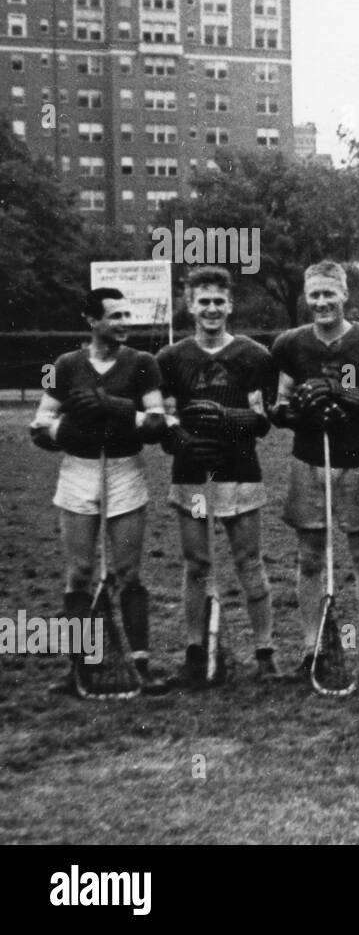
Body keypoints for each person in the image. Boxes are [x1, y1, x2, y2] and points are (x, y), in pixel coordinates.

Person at [30, 287, 171, 694]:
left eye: (128, 314)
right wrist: (68, 429)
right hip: (79, 470)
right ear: (93, 321)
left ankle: (140, 665)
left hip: (125, 470)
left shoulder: (142, 363)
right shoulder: (64, 365)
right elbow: (40, 425)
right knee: (79, 573)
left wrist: (120, 410)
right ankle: (79, 667)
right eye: (116, 316)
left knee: (129, 573)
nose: (125, 322)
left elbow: (157, 420)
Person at [156, 267, 281, 686]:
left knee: (249, 561)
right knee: (197, 563)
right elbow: (166, 418)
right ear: (190, 306)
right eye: (203, 301)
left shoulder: (253, 355)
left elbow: (262, 419)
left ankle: (265, 653)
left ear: (230, 306)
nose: (211, 309)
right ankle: (196, 652)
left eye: (218, 301)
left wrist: (230, 419)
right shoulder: (171, 358)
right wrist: (181, 440)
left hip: (239, 472)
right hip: (193, 477)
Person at [268, 261, 359, 683]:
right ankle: (312, 647)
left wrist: (347, 396)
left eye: (329, 294)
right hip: (308, 460)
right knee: (309, 558)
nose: (322, 302)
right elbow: (278, 407)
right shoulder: (290, 344)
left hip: (356, 460)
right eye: (315, 295)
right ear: (306, 297)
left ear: (344, 295)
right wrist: (299, 409)